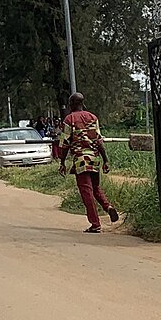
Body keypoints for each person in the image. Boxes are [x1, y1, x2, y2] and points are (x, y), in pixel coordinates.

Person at [58, 93, 120, 233]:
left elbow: (65, 143)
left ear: (72, 103)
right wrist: (106, 160)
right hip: (95, 159)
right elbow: (99, 141)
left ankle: (95, 223)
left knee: (86, 191)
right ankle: (108, 207)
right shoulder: (93, 117)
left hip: (81, 160)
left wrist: (62, 163)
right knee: (96, 188)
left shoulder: (70, 119)